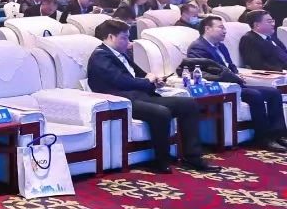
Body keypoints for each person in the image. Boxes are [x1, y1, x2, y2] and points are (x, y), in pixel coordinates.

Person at [87, 19, 214, 173]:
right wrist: (147, 81)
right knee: (161, 112)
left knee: (189, 104)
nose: (128, 42)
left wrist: (155, 81)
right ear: (110, 37)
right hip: (123, 101)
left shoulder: (120, 54)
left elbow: (139, 74)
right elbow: (120, 81)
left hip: (140, 96)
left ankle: (193, 157)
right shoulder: (100, 57)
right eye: (124, 38)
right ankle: (161, 160)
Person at [186, 15, 286, 151]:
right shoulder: (198, 48)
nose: (225, 31)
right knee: (255, 95)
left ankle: (278, 135)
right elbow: (202, 73)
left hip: (237, 83)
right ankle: (263, 138)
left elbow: (231, 65)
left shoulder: (221, 46)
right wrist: (232, 78)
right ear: (207, 29)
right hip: (225, 87)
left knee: (273, 93)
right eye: (221, 28)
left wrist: (237, 74)